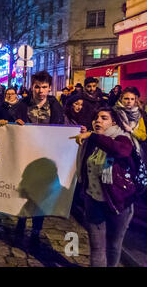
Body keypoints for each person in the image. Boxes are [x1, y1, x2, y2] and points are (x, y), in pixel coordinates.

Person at [72, 108, 137, 267]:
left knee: (113, 245)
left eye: (104, 118)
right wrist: (89, 136)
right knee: (97, 248)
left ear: (114, 122)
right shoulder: (93, 141)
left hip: (118, 203)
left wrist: (92, 136)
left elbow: (120, 150)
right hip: (93, 200)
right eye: (96, 118)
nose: (98, 121)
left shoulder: (123, 139)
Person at [12, 71, 65, 248]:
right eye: (37, 87)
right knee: (25, 192)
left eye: (44, 87)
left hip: (45, 160)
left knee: (41, 196)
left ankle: (36, 230)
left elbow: (64, 131)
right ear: (31, 87)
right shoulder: (21, 107)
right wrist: (10, 123)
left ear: (49, 88)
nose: (40, 91)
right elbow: (8, 125)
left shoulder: (56, 108)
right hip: (25, 157)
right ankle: (20, 223)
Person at [113, 87, 147, 158]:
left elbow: (143, 136)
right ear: (121, 99)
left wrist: (131, 130)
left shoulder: (139, 115)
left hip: (134, 149)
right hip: (117, 147)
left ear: (135, 101)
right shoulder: (114, 112)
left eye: (132, 99)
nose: (129, 101)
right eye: (126, 98)